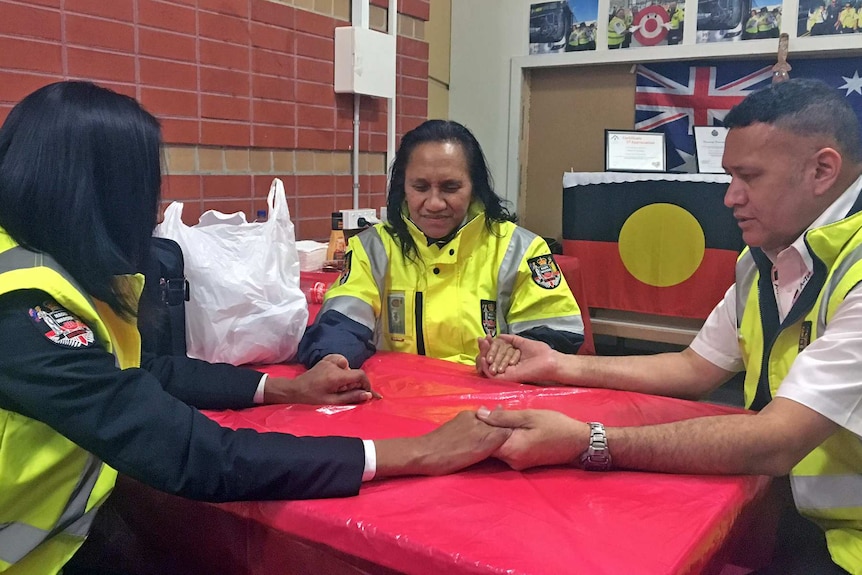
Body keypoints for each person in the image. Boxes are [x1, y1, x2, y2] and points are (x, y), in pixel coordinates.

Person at [0, 81, 512, 575]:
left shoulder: (514, 244)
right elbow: (187, 450)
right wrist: (415, 450)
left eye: (451, 187)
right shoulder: (22, 306)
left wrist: (284, 387)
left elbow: (137, 371)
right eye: (421, 187)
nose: (152, 212)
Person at [475, 79, 862, 574]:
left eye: (749, 176)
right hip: (787, 509)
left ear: (822, 170)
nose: (730, 198)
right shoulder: (764, 258)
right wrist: (555, 363)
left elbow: (776, 440)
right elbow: (693, 367)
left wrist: (589, 441)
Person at [297, 119, 584, 370]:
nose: (434, 204)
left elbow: (556, 330)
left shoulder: (521, 249)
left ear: (475, 188)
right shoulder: (372, 248)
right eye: (420, 188)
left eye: (450, 188)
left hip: (490, 411)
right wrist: (333, 358)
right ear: (403, 188)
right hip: (394, 407)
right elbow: (341, 322)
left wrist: (518, 350)